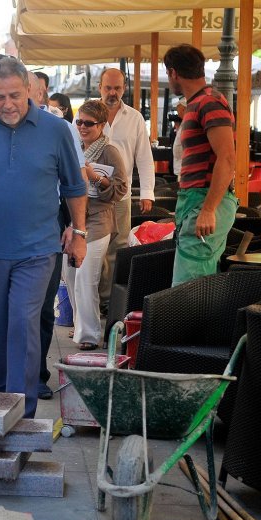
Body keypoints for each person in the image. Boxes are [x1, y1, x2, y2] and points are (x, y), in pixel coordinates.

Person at [0, 58, 87, 419]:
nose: (7, 104)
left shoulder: (55, 130)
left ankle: (21, 411)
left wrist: (80, 232)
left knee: (23, 322)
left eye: (14, 95)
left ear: (29, 90)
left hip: (38, 249)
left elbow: (74, 186)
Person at [28, 73, 86, 401]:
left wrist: (73, 227)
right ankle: (7, 371)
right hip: (6, 238)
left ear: (42, 93)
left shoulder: (58, 129)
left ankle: (36, 375)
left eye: (34, 96)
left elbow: (73, 182)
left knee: (41, 310)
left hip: (48, 233)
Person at [164, 44, 239, 286]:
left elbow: (227, 158)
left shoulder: (208, 102)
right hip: (199, 201)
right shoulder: (200, 102)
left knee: (188, 292)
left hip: (205, 201)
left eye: (168, 74)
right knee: (197, 288)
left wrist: (208, 209)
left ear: (174, 72)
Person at [63, 100, 128, 350]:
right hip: (74, 218)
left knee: (86, 276)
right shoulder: (74, 146)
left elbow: (120, 189)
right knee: (70, 275)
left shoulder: (110, 151)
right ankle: (81, 326)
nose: (81, 126)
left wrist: (95, 178)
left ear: (101, 125)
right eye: (78, 121)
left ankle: (89, 334)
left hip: (99, 219)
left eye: (88, 123)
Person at [95, 68, 155, 312]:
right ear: (99, 87)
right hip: (92, 195)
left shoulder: (135, 118)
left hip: (122, 194)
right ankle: (91, 300)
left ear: (124, 89)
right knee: (93, 248)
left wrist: (148, 193)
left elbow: (144, 157)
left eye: (117, 88)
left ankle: (108, 302)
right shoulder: (88, 114)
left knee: (117, 249)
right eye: (108, 87)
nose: (112, 93)